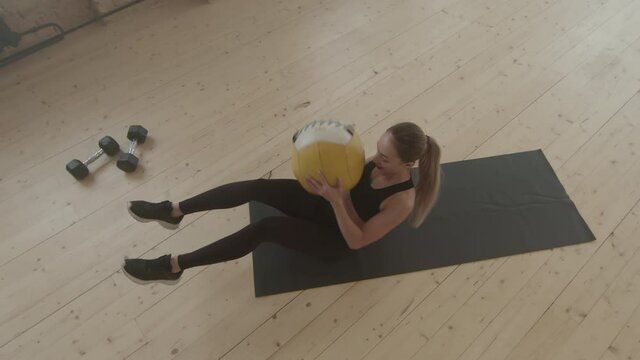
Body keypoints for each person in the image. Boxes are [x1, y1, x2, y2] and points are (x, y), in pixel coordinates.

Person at [122, 122, 442, 283]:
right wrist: (317, 149)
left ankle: (174, 266)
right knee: (258, 187)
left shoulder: (402, 201)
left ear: (408, 165)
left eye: (384, 157)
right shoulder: (383, 159)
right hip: (329, 203)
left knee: (265, 228)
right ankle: (174, 211)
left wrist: (338, 199)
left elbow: (357, 240)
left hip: (338, 236)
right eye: (378, 150)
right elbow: (350, 170)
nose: (377, 158)